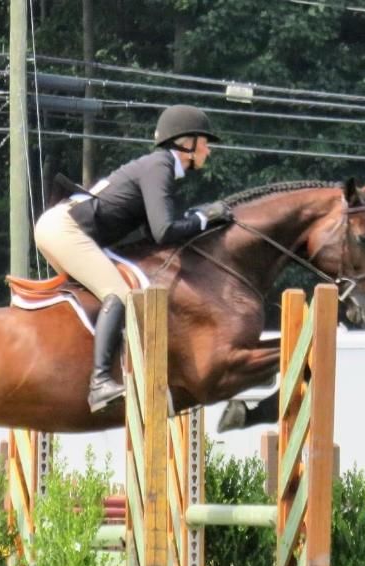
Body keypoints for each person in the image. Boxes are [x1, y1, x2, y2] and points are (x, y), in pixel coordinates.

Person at [34, 104, 232, 413]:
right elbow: (165, 231)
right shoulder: (160, 166)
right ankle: (100, 383)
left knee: (103, 296)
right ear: (186, 143)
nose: (208, 148)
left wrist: (199, 217)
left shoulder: (157, 167)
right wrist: (205, 219)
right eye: (204, 141)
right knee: (122, 295)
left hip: (65, 227)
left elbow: (155, 233)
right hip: (66, 229)